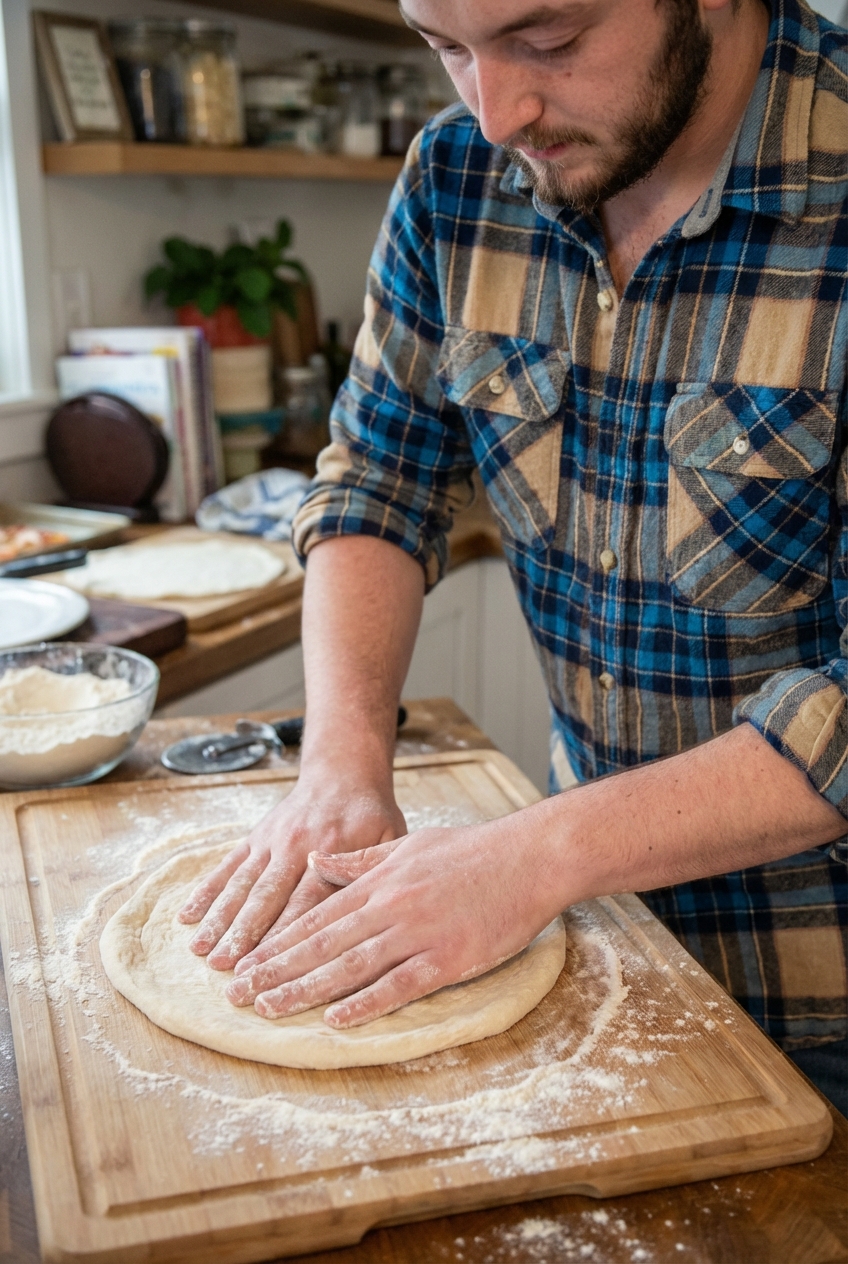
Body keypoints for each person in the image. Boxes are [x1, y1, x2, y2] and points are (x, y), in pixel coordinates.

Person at [180, 0, 847, 1109]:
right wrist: (341, 768)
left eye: (549, 41)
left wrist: (532, 856)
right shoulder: (452, 180)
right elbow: (377, 479)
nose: (496, 113)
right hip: (594, 937)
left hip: (822, 999)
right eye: (446, 47)